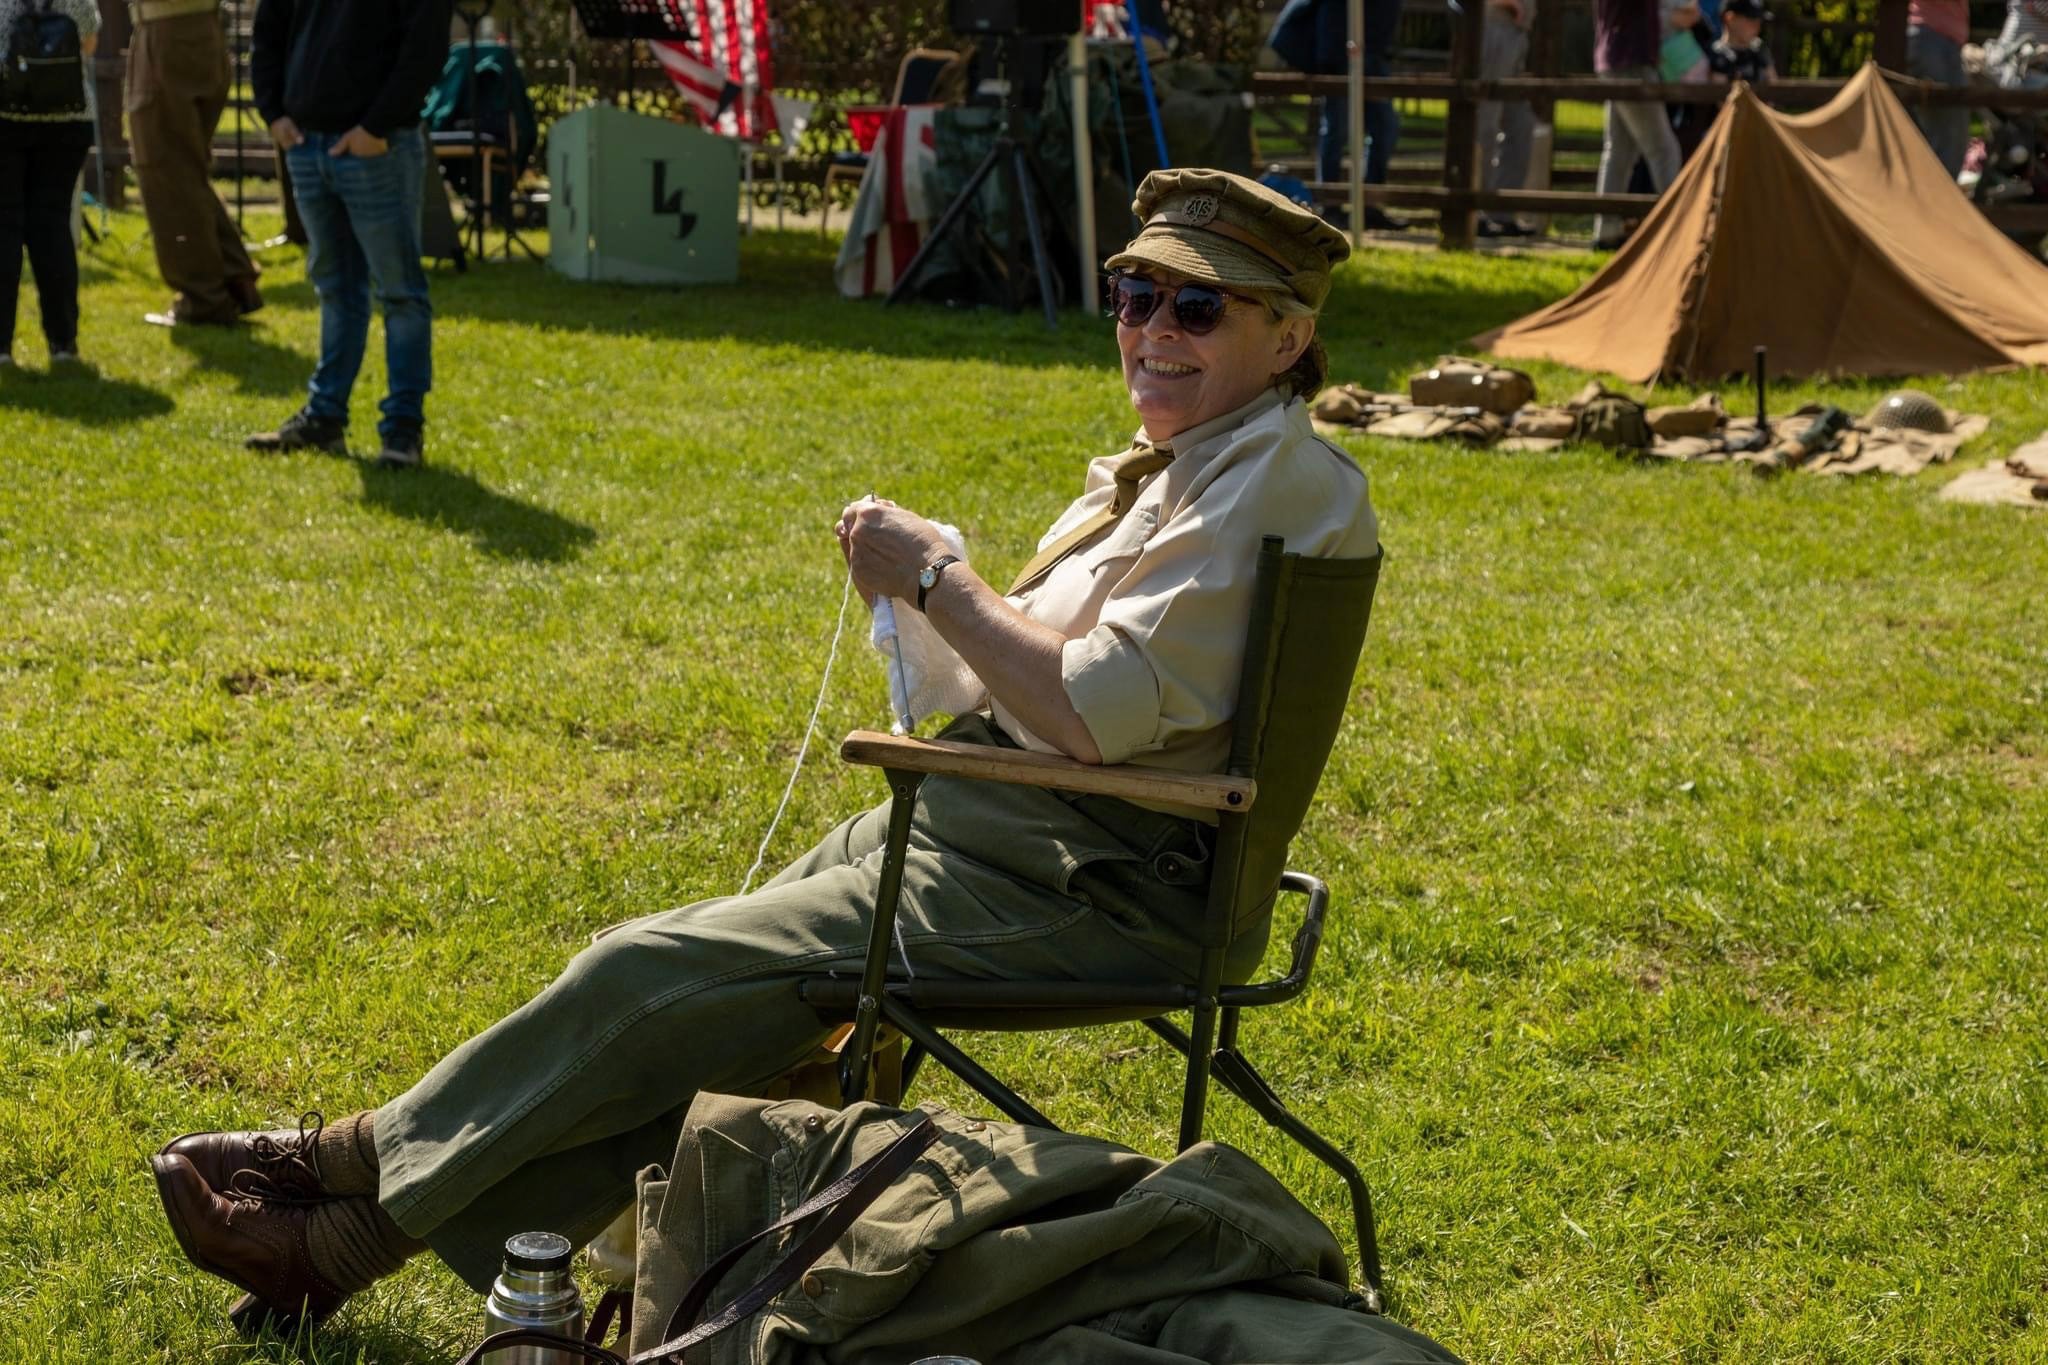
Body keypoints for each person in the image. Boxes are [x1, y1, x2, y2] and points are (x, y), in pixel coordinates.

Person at [148, 169, 1380, 1335]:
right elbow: (1052, 683)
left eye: (1199, 305)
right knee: (707, 1025)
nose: (1154, 328)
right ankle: (338, 1242)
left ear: (1285, 338)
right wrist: (929, 591)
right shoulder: (1196, 467)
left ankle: (337, 1176)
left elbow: (1085, 712)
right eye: (1136, 295)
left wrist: (939, 577)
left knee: (652, 974)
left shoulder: (1271, 483)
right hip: (1013, 825)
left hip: (1108, 878)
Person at [242, 0, 451, 467]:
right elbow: (268, 30)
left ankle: (402, 433)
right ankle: (324, 420)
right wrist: (274, 112)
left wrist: (376, 126)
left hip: (377, 148)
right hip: (306, 142)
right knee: (336, 289)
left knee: (400, 294)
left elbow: (427, 42)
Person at [126, 0, 262, 328]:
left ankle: (203, 299)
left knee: (165, 170)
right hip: (198, 28)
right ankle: (233, 277)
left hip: (169, 30)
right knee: (184, 168)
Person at [0, 0, 98, 368]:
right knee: (53, 228)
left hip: (5, 115)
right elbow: (88, 42)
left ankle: (2, 348)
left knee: (5, 228)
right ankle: (62, 343)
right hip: (68, 117)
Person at [1269, 0, 1408, 230]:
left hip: (1372, 53)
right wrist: (1330, 58)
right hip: (1341, 54)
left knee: (1385, 127)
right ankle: (1330, 205)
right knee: (1337, 129)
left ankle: (1369, 206)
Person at [1593, 0, 1693, 248]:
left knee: (1619, 152)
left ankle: (1605, 232)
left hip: (1615, 59)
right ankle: (1677, 231)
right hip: (1631, 61)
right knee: (1663, 150)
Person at [1475, 0, 1538, 237]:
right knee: (1485, 125)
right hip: (1495, 25)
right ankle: (1474, 211)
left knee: (1521, 126)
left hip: (1517, 32)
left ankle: (1502, 213)